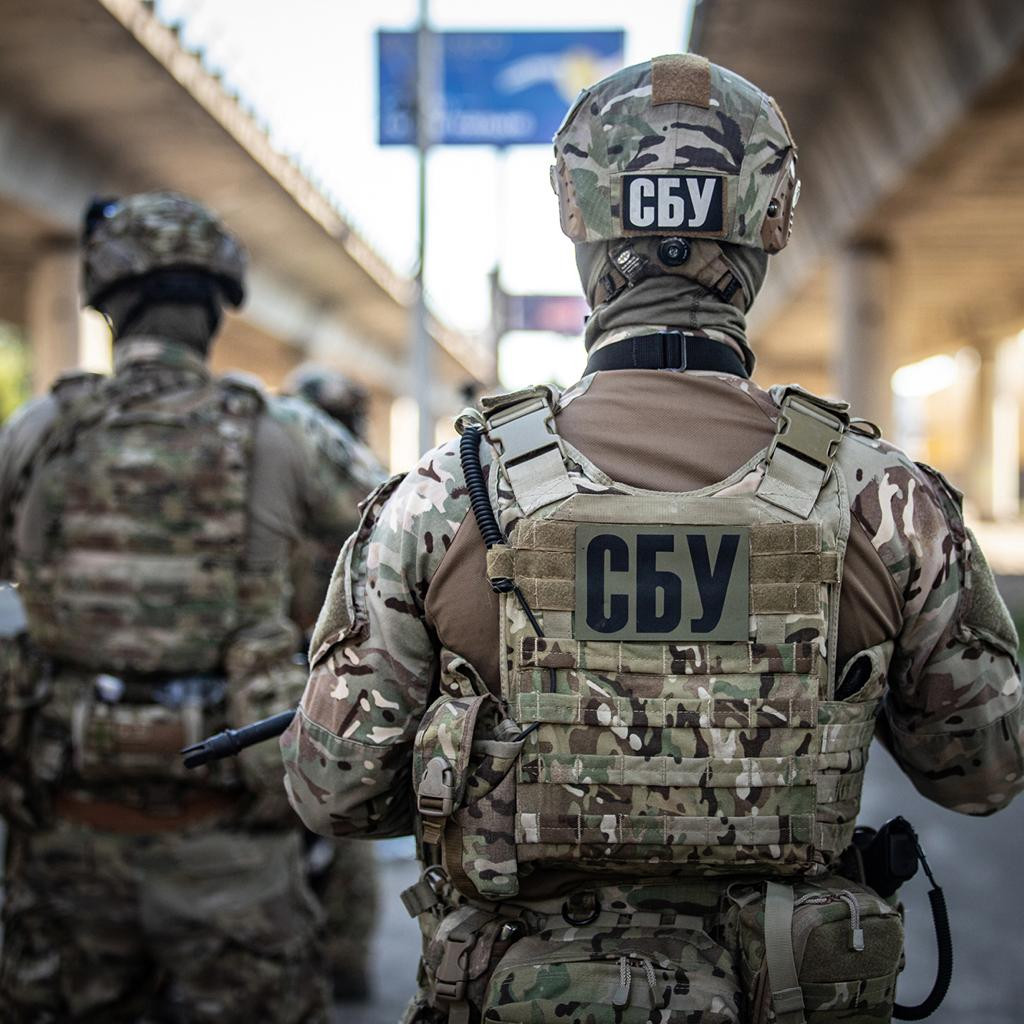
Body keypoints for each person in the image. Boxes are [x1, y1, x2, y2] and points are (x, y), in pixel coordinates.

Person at [282, 55, 1024, 1024]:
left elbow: (333, 789)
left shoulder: (446, 494)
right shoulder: (882, 499)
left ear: (579, 220)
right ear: (771, 221)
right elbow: (982, 770)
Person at [0, 192, 370, 1023]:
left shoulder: (38, 429)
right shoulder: (284, 431)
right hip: (232, 857)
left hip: (66, 846)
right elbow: (415, 540)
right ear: (215, 306)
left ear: (108, 305)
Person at [282, 362, 386, 1002]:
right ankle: (340, 956)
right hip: (328, 670)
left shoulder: (318, 478)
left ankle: (338, 955)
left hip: (315, 667)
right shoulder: (365, 481)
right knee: (341, 810)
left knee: (327, 814)